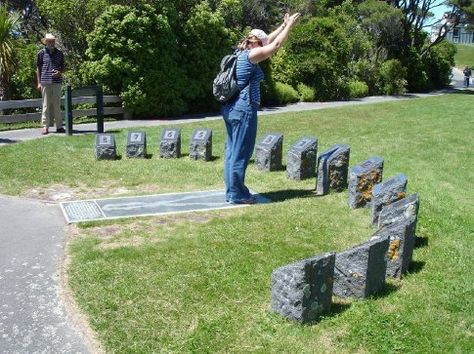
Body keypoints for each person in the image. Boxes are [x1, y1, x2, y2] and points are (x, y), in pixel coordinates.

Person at [222, 13, 301, 204]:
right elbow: (274, 46)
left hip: (231, 108)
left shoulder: (240, 52)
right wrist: (289, 25)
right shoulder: (251, 55)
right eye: (262, 43)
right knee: (241, 152)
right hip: (244, 109)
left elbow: (269, 40)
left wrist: (282, 26)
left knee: (232, 151)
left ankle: (232, 192)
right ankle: (238, 194)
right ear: (257, 43)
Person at [36, 33, 65, 135]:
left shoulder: (60, 53)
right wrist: (39, 82)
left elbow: (63, 66)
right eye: (49, 41)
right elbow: (38, 68)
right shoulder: (41, 53)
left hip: (57, 82)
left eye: (53, 41)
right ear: (46, 42)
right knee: (46, 105)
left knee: (57, 104)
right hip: (45, 82)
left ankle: (59, 126)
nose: (51, 43)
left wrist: (59, 72)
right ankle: (45, 126)